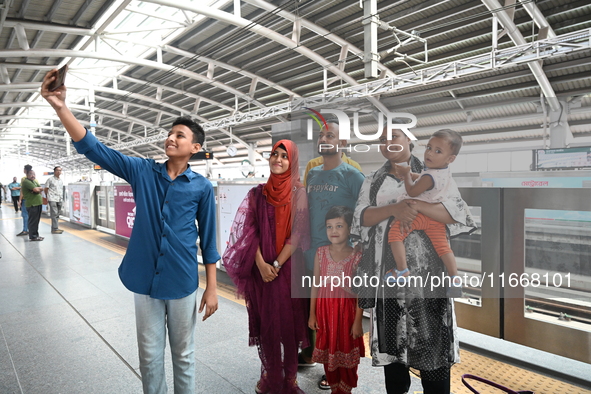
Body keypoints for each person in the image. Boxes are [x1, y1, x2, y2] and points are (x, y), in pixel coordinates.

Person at [41, 69, 220, 394]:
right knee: (150, 356)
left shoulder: (202, 187)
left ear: (195, 147)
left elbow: (208, 240)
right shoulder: (142, 171)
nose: (171, 138)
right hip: (145, 280)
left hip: (182, 281)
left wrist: (212, 287)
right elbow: (96, 150)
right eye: (169, 133)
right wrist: (60, 107)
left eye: (180, 135)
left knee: (183, 354)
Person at [351, 128, 476, 394]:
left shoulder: (437, 172)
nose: (388, 142)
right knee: (394, 353)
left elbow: (456, 214)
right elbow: (361, 217)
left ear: (410, 140)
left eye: (394, 136)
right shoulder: (372, 179)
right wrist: (393, 210)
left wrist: (417, 208)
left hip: (429, 279)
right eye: (382, 140)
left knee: (434, 349)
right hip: (389, 276)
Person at [223, 140, 310, 394]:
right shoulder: (257, 193)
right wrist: (260, 264)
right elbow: (249, 231)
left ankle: (290, 378)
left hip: (288, 267)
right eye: (274, 154)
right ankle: (271, 374)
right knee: (268, 326)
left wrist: (275, 264)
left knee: (290, 325)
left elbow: (298, 232)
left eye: (284, 156)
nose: (278, 160)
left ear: (292, 162)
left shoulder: (299, 193)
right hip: (261, 269)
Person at [302, 122, 365, 389]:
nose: (324, 138)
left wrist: (358, 248)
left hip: (342, 256)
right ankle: (326, 361)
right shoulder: (313, 173)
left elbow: (363, 214)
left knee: (343, 314)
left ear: (343, 144)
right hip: (314, 254)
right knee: (322, 313)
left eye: (331, 135)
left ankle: (342, 374)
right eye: (321, 135)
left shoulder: (352, 175)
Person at [385, 129, 465, 298]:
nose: (430, 153)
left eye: (438, 151)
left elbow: (413, 191)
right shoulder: (443, 172)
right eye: (429, 147)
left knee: (395, 234)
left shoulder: (429, 176)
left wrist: (407, 176)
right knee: (444, 248)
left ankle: (402, 270)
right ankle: (454, 277)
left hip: (420, 216)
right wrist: (414, 175)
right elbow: (425, 180)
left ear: (451, 158)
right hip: (436, 220)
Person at [309, 206, 364, 394]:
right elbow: (315, 284)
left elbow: (360, 291)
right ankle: (334, 387)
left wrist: (358, 321)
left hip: (347, 313)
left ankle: (345, 390)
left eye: (339, 226)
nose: (333, 231)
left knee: (347, 353)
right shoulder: (321, 252)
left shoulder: (357, 255)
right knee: (328, 353)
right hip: (325, 312)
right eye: (329, 226)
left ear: (349, 229)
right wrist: (312, 314)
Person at [21, 170, 44, 241]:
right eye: (31, 174)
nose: (33, 175)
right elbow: (36, 189)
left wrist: (38, 189)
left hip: (37, 203)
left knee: (36, 221)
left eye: (34, 174)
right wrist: (36, 189)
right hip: (32, 204)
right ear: (27, 174)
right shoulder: (26, 181)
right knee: (32, 221)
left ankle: (36, 235)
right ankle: (33, 236)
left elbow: (41, 188)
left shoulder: (34, 181)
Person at [44, 166, 65, 234]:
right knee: (54, 213)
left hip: (59, 198)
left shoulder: (61, 180)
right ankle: (54, 228)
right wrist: (47, 197)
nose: (59, 172)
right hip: (52, 198)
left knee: (58, 213)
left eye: (60, 170)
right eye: (57, 170)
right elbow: (46, 188)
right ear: (54, 171)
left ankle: (55, 227)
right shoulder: (50, 179)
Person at [17, 165, 32, 236]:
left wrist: (20, 200)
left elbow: (22, 190)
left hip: (25, 199)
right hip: (32, 199)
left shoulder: (24, 179)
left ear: (25, 170)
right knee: (30, 215)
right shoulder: (34, 178)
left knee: (25, 214)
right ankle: (30, 230)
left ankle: (25, 230)